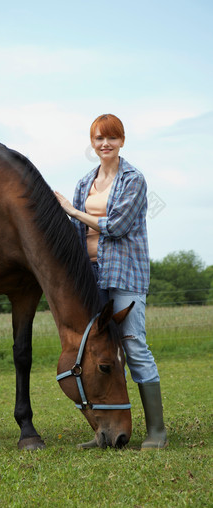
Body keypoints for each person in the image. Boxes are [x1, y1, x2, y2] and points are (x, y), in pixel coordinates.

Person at [55, 113, 168, 450]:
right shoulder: (84, 182)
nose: (105, 144)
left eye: (112, 138)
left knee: (133, 344)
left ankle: (157, 432)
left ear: (121, 141)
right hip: (93, 276)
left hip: (125, 274)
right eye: (99, 138)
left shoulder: (134, 179)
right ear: (93, 143)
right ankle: (102, 431)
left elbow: (116, 226)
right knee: (100, 351)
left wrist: (72, 211)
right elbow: (77, 237)